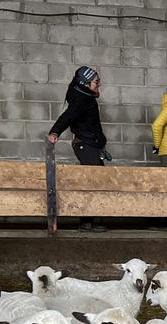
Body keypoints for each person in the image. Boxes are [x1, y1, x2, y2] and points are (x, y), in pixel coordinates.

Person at [47, 65, 108, 232]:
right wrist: (55, 131)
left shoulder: (85, 96)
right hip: (85, 145)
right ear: (86, 83)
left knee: (98, 180)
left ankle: (91, 220)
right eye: (96, 81)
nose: (99, 84)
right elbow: (67, 116)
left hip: (91, 144)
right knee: (92, 181)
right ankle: (86, 222)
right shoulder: (81, 99)